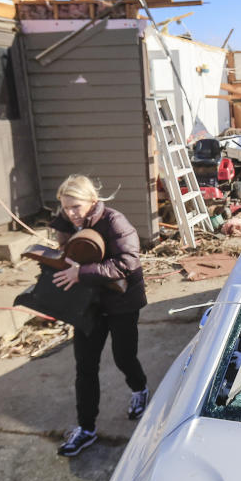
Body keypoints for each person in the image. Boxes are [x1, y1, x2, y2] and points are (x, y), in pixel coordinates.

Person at [51, 175, 148, 456]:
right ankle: (87, 428)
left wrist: (81, 273)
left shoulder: (115, 221)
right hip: (89, 304)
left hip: (121, 301)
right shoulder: (69, 222)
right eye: (65, 207)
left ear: (93, 201)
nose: (70, 214)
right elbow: (68, 253)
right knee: (85, 366)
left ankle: (140, 388)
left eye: (75, 207)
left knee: (124, 356)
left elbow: (129, 261)